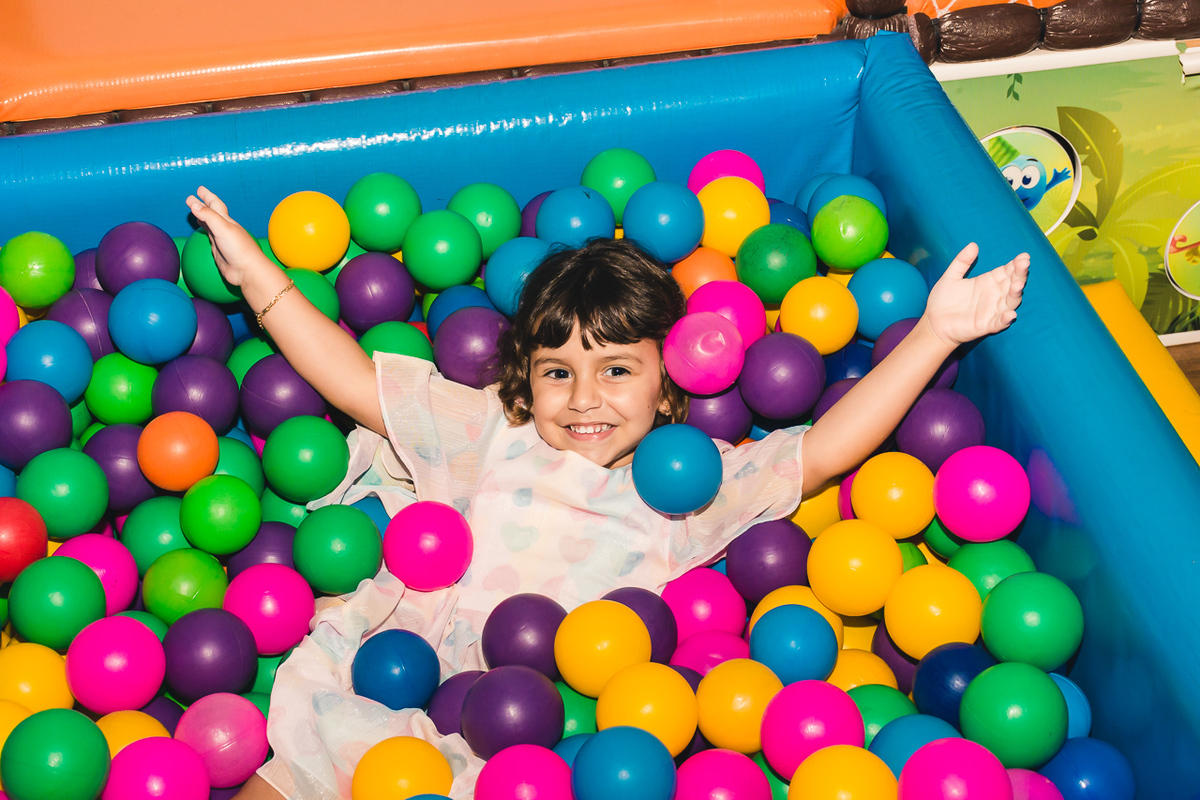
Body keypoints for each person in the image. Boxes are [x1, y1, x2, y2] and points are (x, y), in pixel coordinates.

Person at [185, 186, 1028, 800]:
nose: (585, 398)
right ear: (527, 379)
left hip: (531, 736)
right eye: (559, 373)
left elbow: (823, 451)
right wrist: (261, 277)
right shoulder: (490, 433)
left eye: (616, 370)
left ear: (670, 383)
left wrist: (936, 332)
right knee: (299, 764)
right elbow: (351, 379)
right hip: (393, 672)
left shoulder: (688, 492)